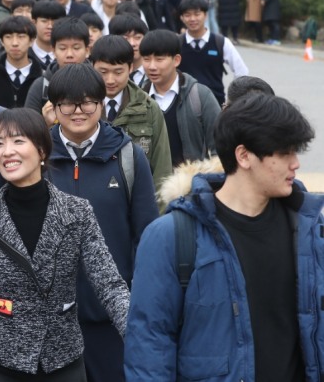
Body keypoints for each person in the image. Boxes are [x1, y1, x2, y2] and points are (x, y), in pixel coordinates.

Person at [125, 93, 324, 381]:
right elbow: (149, 343)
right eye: (284, 153)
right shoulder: (171, 236)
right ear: (244, 156)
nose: (295, 164)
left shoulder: (308, 228)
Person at [0, 108, 130, 380]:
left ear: (41, 150)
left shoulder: (77, 212)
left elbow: (108, 283)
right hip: (0, 363)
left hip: (62, 360)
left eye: (18, 141)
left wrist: (137, 334)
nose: (7, 152)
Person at [45, 64, 158, 381]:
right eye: (68, 103)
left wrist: (140, 299)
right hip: (51, 320)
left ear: (101, 103)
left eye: (87, 102)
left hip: (112, 319)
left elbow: (146, 235)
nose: (78, 111)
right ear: (54, 106)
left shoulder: (127, 156)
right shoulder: (38, 155)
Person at [89, 36, 172, 192]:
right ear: (92, 67)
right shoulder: (80, 108)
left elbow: (162, 168)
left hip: (138, 197)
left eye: (118, 72)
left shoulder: (148, 108)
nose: (110, 80)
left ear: (131, 68)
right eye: (103, 72)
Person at [139, 29, 221, 167]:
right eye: (146, 59)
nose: (152, 66)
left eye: (159, 59)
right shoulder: (138, 98)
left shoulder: (200, 95)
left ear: (176, 60)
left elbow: (220, 145)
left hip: (190, 178)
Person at [178, 0, 249, 107]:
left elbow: (242, 72)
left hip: (215, 104)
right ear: (181, 18)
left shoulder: (220, 42)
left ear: (206, 15)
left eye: (197, 14)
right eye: (187, 15)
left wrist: (232, 100)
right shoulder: (177, 43)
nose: (192, 19)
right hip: (183, 105)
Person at [25, 17, 91, 113]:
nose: (69, 54)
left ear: (87, 50)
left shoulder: (98, 83)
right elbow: (28, 121)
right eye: (63, 48)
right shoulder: (41, 86)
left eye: (76, 48)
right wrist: (45, 121)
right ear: (53, 51)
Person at [0, 16, 42, 109]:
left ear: (31, 41)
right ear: (2, 42)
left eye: (21, 37)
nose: (15, 43)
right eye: (8, 37)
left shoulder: (42, 77)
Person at [108, 14, 149, 88]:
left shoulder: (154, 71)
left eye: (137, 37)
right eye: (125, 38)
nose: (132, 43)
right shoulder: (107, 76)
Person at [29, 0, 67, 70]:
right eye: (44, 21)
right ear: (34, 23)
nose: (50, 26)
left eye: (55, 21)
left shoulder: (69, 56)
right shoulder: (24, 55)